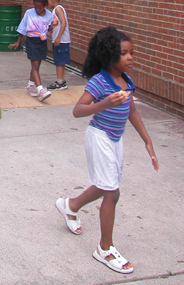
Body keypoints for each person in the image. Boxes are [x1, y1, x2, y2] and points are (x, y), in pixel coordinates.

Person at [55, 26, 159, 274]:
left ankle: (70, 205)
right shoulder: (100, 81)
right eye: (124, 53)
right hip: (99, 137)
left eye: (131, 53)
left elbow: (132, 111)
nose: (130, 57)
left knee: (104, 185)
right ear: (109, 55)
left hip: (115, 139)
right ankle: (105, 248)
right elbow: (78, 110)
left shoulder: (126, 81)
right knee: (112, 193)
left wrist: (147, 141)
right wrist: (103, 104)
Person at [8, 0, 53, 102]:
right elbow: (22, 27)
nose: (37, 10)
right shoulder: (29, 13)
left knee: (37, 65)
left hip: (42, 42)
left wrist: (52, 27)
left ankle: (30, 85)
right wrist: (18, 42)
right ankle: (40, 90)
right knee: (35, 65)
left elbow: (49, 29)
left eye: (40, 8)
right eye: (36, 7)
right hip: (31, 41)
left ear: (46, 5)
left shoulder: (49, 15)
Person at [47, 0, 71, 91]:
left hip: (61, 41)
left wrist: (58, 37)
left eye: (48, 0)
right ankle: (61, 80)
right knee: (59, 61)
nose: (47, 3)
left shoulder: (58, 9)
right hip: (58, 40)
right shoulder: (56, 10)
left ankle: (60, 82)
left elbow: (63, 22)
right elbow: (58, 23)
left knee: (59, 61)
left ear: (52, 0)